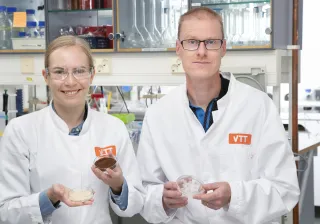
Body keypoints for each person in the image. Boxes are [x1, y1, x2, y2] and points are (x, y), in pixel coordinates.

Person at [137, 7, 300, 224]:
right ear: (178, 48)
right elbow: (144, 191)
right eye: (192, 42)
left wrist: (234, 195)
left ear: (223, 48)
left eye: (211, 42)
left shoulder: (258, 106)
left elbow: (285, 189)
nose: (201, 51)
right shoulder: (158, 114)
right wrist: (162, 200)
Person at [0, 36, 144, 224]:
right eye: (59, 72)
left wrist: (118, 186)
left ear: (92, 75)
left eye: (79, 71)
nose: (70, 82)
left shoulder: (113, 128)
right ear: (46, 76)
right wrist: (49, 198)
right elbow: (6, 212)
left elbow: (134, 204)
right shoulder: (21, 130)